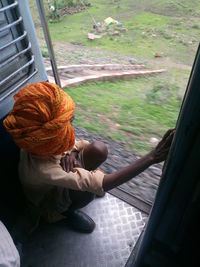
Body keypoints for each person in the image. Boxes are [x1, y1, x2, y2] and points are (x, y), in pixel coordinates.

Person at [3, 82, 174, 234]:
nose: (71, 126)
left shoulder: (36, 141)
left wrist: (73, 152)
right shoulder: (42, 169)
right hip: (48, 201)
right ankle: (66, 213)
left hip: (58, 176)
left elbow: (78, 144)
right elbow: (103, 183)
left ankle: (75, 191)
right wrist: (152, 157)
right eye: (66, 126)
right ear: (54, 140)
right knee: (87, 194)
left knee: (99, 149)